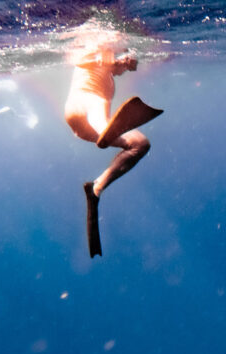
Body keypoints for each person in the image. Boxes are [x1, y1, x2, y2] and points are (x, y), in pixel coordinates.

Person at [64, 43, 162, 257]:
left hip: (82, 127)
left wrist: (125, 64)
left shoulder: (107, 66)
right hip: (86, 107)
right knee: (102, 118)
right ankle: (104, 136)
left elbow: (113, 66)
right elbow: (80, 60)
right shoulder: (94, 49)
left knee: (140, 145)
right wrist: (105, 60)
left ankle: (97, 187)